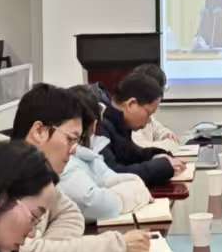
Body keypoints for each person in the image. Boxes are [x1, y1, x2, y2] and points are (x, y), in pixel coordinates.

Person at [0, 83, 151, 252]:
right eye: (70, 139)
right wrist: (117, 247)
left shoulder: (36, 173)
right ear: (39, 131)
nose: (74, 150)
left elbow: (70, 213)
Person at [60, 85, 156, 222]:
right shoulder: (66, 160)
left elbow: (115, 178)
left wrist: (134, 188)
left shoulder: (88, 155)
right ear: (94, 125)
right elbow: (95, 204)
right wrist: (138, 194)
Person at [98, 71, 177, 186]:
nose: (148, 121)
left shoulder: (118, 123)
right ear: (131, 104)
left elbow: (134, 154)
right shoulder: (100, 126)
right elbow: (112, 174)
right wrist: (162, 166)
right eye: (148, 113)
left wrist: (159, 155)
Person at [127, 62, 179, 147]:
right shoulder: (133, 113)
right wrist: (168, 144)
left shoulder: (145, 109)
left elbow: (159, 129)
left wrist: (167, 135)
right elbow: (140, 147)